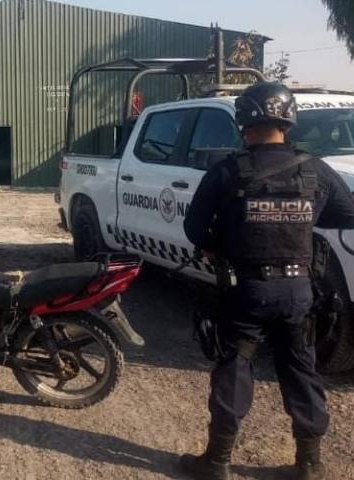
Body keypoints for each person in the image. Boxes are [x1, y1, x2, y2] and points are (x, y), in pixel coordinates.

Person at [180, 82, 354, 480]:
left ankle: (217, 461)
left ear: (244, 121)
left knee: (234, 367)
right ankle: (309, 464)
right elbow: (347, 214)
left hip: (246, 291)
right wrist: (303, 216)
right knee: (301, 370)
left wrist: (217, 243)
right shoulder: (314, 169)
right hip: (298, 292)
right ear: (289, 120)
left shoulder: (227, 170)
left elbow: (194, 228)